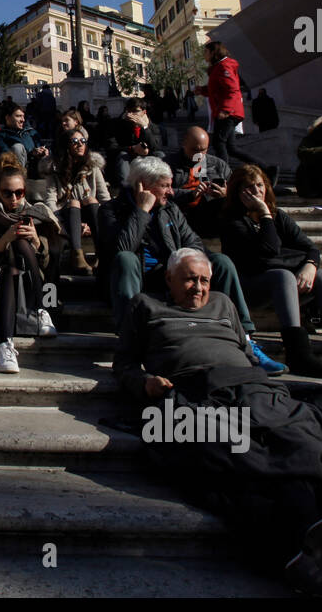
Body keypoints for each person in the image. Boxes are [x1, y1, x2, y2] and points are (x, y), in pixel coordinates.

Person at [115, 248, 322, 596]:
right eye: (190, 279)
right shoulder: (145, 306)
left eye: (204, 280)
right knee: (235, 453)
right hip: (195, 390)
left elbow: (245, 349)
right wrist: (144, 383)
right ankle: (319, 546)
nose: (198, 287)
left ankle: (320, 549)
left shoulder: (224, 303)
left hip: (250, 386)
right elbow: (124, 365)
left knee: (295, 437)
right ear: (169, 279)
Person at [96, 156, 287, 374]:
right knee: (125, 259)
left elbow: (195, 244)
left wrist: (180, 265)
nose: (171, 192)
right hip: (133, 280)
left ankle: (245, 338)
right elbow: (122, 248)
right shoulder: (110, 210)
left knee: (221, 262)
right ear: (144, 185)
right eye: (165, 186)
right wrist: (142, 211)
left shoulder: (171, 210)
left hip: (172, 278)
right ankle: (130, 340)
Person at [220, 165, 322, 378]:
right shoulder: (233, 221)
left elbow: (310, 248)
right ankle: (298, 353)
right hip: (250, 288)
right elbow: (267, 252)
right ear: (238, 191)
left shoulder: (278, 216)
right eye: (249, 187)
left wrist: (310, 265)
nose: (257, 191)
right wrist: (264, 214)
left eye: (260, 185)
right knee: (282, 275)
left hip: (284, 286)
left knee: (321, 275)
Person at [0, 154, 61, 373]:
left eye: (19, 192)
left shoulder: (38, 214)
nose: (14, 198)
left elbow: (50, 262)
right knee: (10, 267)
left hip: (33, 281)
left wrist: (36, 240)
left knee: (23, 243)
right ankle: (6, 344)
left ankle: (41, 310)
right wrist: (4, 239)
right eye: (7, 193)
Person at [198, 43, 275, 184]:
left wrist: (226, 110)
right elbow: (218, 89)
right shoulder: (218, 68)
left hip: (227, 112)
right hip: (227, 111)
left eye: (206, 51)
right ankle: (268, 169)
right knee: (231, 148)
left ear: (213, 52)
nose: (204, 55)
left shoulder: (223, 66)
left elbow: (232, 89)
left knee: (219, 143)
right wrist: (202, 90)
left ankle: (223, 179)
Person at [44, 122, 109, 275]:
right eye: (74, 141)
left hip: (91, 215)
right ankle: (77, 255)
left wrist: (97, 222)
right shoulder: (55, 171)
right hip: (65, 217)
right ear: (66, 146)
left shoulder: (93, 167)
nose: (80, 145)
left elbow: (105, 198)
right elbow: (50, 202)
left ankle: (102, 254)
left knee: (92, 200)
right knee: (73, 202)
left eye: (83, 141)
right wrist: (63, 225)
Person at [166, 126, 230, 239]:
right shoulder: (168, 165)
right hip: (181, 214)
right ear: (184, 144)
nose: (199, 155)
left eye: (203, 150)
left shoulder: (218, 165)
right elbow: (162, 191)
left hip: (211, 214)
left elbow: (236, 188)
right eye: (195, 150)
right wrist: (190, 194)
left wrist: (226, 193)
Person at [0, 105, 48, 175]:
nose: (22, 120)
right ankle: (19, 177)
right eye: (18, 116)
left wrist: (43, 151)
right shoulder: (1, 135)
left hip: (35, 169)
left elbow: (40, 146)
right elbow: (6, 154)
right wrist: (31, 152)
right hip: (14, 172)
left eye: (23, 116)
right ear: (7, 118)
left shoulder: (31, 132)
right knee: (17, 147)